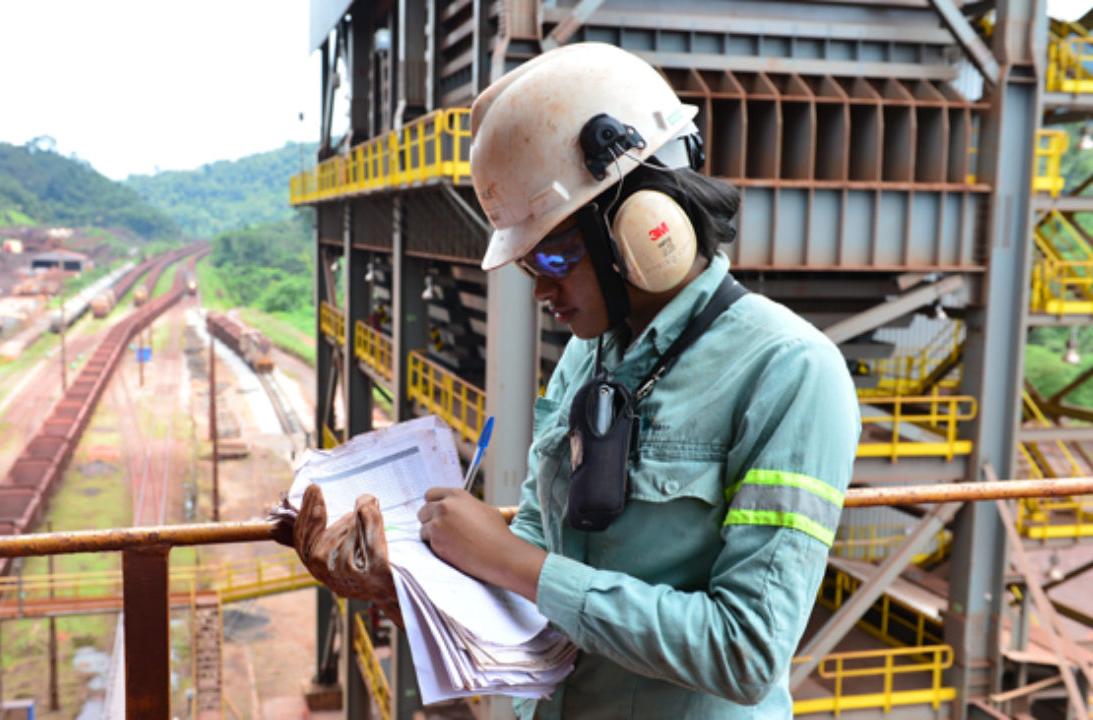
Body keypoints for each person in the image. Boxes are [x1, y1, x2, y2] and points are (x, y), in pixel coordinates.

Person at [291, 42, 860, 719]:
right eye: (528, 267)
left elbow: (748, 651)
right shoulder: (587, 356)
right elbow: (537, 546)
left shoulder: (790, 371)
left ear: (642, 224)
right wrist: (405, 582)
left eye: (555, 257)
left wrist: (515, 564)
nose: (541, 290)